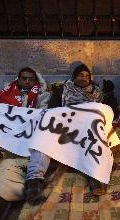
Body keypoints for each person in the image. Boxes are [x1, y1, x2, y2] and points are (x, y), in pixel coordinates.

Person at [23, 63, 105, 204]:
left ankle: (94, 175)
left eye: (87, 75)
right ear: (74, 77)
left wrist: (110, 95)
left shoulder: (97, 93)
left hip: (86, 124)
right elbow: (52, 111)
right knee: (44, 137)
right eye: (80, 75)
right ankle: (34, 181)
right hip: (65, 124)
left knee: (95, 136)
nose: (84, 78)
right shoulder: (62, 92)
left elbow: (108, 110)